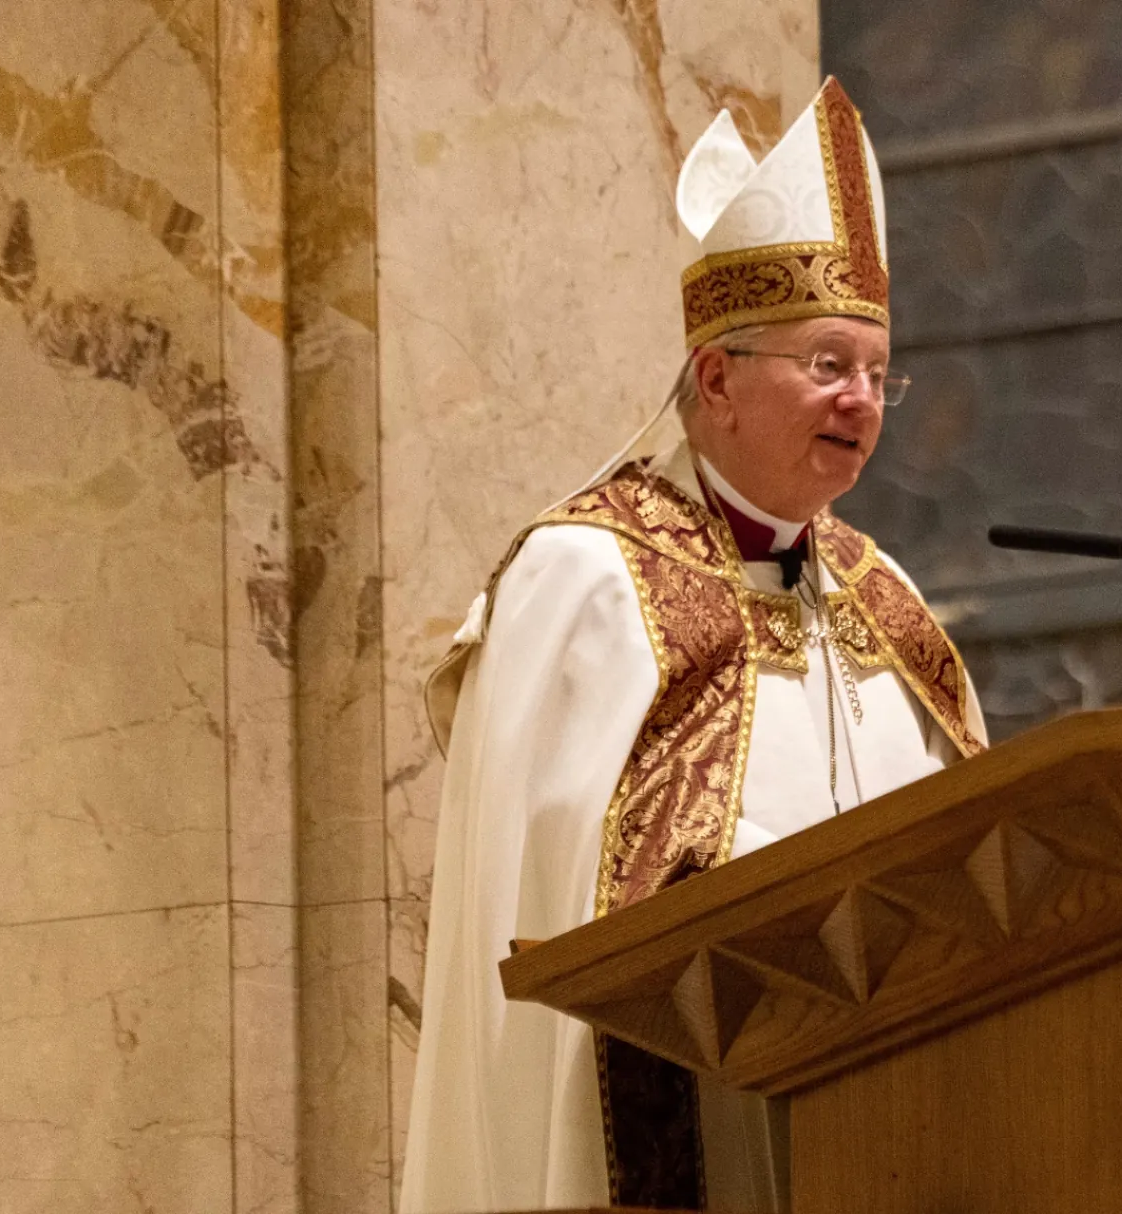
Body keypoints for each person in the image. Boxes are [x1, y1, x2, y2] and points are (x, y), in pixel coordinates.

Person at [400, 78, 987, 1214]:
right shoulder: (586, 579)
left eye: (877, 374)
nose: (861, 402)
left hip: (883, 1130)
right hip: (679, 1127)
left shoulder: (885, 597)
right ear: (715, 377)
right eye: (828, 365)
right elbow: (554, 886)